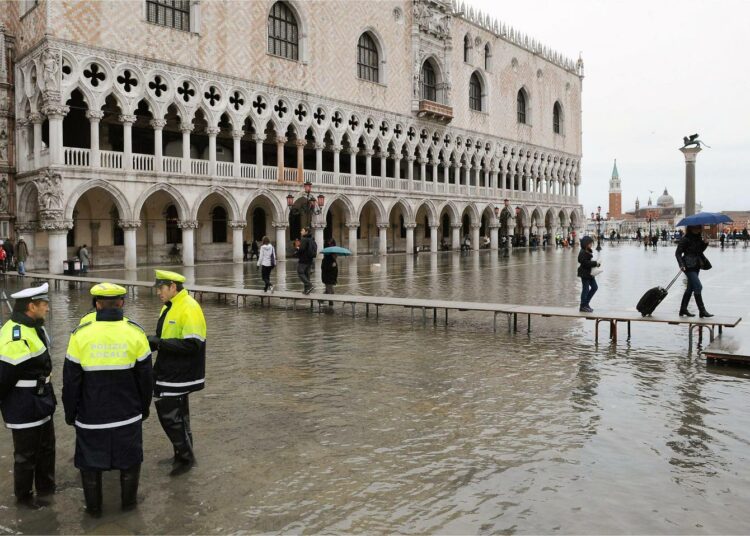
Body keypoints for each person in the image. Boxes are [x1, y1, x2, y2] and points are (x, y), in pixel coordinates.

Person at [63, 283, 152, 516]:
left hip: (91, 418)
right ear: (121, 303)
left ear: (96, 305)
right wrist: (143, 410)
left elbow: (71, 383)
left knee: (90, 464)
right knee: (130, 462)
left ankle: (93, 512)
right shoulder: (136, 333)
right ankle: (129, 508)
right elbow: (146, 380)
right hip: (128, 416)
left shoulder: (80, 335)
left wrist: (70, 414)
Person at [0, 283, 56, 508]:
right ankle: (23, 498)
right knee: (25, 455)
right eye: (44, 305)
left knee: (46, 448)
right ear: (31, 306)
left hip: (40, 400)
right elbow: (3, 379)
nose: (48, 309)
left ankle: (46, 489)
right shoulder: (16, 336)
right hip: (23, 405)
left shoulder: (35, 326)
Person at [149, 270, 207, 475]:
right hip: (169, 370)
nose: (158, 293)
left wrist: (160, 343)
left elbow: (194, 344)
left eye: (161, 288)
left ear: (173, 287)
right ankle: (182, 454)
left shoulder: (189, 307)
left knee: (170, 416)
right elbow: (163, 335)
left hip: (180, 374)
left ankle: (185, 459)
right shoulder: (169, 306)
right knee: (180, 416)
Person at [676, 225, 712, 318]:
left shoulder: (698, 238)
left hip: (696, 265)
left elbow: (699, 251)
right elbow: (678, 253)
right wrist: (681, 265)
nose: (699, 229)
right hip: (688, 266)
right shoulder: (685, 239)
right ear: (691, 228)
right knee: (698, 286)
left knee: (690, 288)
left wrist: (705, 243)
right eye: (697, 228)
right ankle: (702, 310)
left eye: (699, 228)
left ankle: (683, 309)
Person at [577, 236, 600, 313]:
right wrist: (595, 263)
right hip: (584, 273)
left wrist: (596, 264)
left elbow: (588, 261)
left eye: (591, 243)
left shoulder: (588, 251)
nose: (591, 245)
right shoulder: (582, 252)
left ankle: (586, 303)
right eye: (590, 243)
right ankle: (583, 306)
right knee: (586, 289)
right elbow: (584, 262)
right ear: (586, 244)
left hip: (589, 273)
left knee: (594, 287)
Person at [294, 228, 316, 294]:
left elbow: (302, 249)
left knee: (300, 272)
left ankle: (309, 285)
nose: (301, 232)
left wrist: (297, 250)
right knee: (307, 275)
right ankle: (306, 290)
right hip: (310, 260)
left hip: (303, 259)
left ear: (306, 232)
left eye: (302, 231)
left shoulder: (304, 239)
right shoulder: (312, 240)